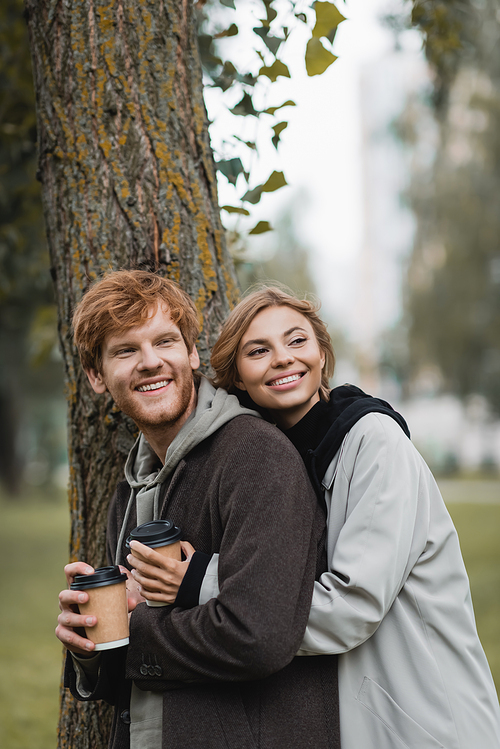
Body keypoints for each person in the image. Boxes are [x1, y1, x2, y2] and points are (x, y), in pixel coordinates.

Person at [158, 285, 500, 749]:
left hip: (427, 719)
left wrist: (202, 582)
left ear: (321, 353)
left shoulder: (373, 442)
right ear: (237, 376)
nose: (282, 358)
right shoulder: (280, 459)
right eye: (258, 350)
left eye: (297, 341)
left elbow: (350, 606)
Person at [55, 271, 340, 749]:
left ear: (191, 353)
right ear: (96, 375)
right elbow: (128, 674)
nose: (150, 363)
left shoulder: (257, 457)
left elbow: (258, 634)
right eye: (125, 350)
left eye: (165, 341)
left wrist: (131, 630)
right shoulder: (129, 489)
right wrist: (88, 643)